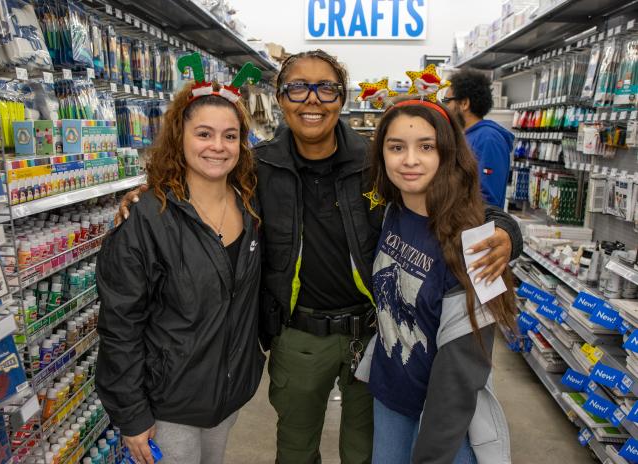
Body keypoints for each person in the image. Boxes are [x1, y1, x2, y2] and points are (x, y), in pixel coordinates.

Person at [118, 50, 523, 464]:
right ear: (279, 97)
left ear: (341, 98)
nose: (312, 99)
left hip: (372, 338)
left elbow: (452, 198)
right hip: (298, 338)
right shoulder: (257, 166)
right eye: (297, 87)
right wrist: (150, 197)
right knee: (295, 451)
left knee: (364, 452)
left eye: (326, 88)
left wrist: (505, 230)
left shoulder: (375, 160)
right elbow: (206, 190)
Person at [95, 79, 264, 464]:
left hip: (227, 394)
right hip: (168, 405)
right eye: (204, 133)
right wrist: (132, 414)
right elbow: (120, 324)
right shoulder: (146, 218)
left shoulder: (251, 207)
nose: (218, 146)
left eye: (230, 135)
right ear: (179, 137)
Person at [367, 97, 516, 464]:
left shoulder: (478, 244)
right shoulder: (392, 212)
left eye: (426, 147)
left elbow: (465, 372)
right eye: (397, 147)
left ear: (447, 154)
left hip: (441, 423)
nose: (410, 160)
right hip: (389, 397)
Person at [443, 69, 514, 209]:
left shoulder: (488, 139)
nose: (445, 107)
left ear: (464, 103)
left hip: (474, 226)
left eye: (447, 101)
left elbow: (487, 197)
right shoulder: (466, 136)